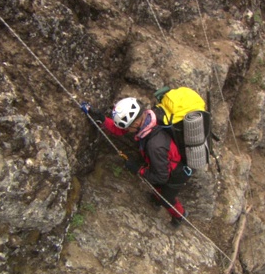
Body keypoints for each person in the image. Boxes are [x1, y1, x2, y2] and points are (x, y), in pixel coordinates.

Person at [81, 97, 190, 228]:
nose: (127, 130)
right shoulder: (149, 118)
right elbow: (121, 130)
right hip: (164, 163)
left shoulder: (155, 145)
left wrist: (138, 169)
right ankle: (157, 198)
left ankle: (180, 215)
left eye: (128, 127)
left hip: (176, 173)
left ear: (136, 123)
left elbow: (161, 177)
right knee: (158, 187)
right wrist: (102, 119)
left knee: (167, 198)